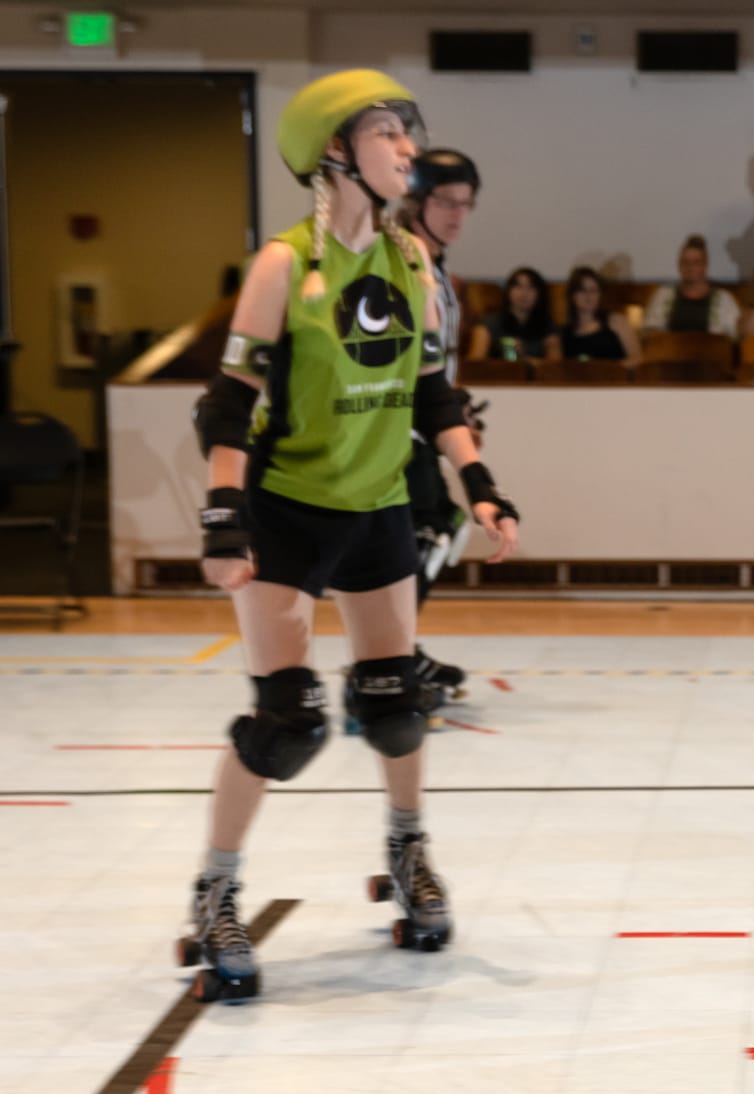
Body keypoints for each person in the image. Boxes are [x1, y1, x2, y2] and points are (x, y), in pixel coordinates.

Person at [186, 70, 520, 1001]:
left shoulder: (411, 263)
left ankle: (408, 856)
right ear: (335, 152)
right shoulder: (282, 266)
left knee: (395, 702)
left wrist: (481, 485)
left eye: (406, 134)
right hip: (286, 513)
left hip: (376, 509)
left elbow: (433, 393)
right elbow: (229, 403)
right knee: (285, 721)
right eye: (386, 133)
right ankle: (214, 891)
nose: (406, 149)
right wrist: (222, 512)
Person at [390, 146, 482, 711]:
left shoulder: (435, 262)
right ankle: (386, 662)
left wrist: (456, 410)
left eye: (466, 204)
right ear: (418, 200)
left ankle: (395, 653)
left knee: (434, 531)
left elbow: (433, 360)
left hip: (422, 424)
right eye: (445, 201)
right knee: (426, 535)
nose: (456, 214)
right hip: (396, 429)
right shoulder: (404, 259)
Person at [640, 234, 740, 338]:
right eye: (685, 262)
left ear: (705, 265)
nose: (690, 267)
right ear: (679, 266)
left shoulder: (724, 299)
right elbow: (649, 332)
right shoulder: (663, 296)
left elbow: (734, 335)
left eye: (696, 262)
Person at [466, 266, 554, 362]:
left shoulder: (549, 328)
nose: (524, 293)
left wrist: (524, 357)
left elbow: (555, 368)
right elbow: (474, 364)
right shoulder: (487, 325)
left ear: (540, 293)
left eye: (531, 287)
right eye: (518, 286)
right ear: (508, 291)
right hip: (494, 375)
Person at [558, 265, 639, 364]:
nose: (588, 295)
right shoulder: (564, 333)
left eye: (593, 290)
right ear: (572, 295)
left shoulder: (616, 321)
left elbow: (637, 359)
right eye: (582, 290)